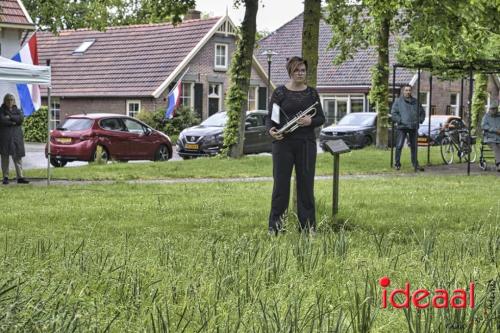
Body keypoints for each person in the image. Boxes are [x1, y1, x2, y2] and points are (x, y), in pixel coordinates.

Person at [266, 56, 325, 235]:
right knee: (280, 186)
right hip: (283, 144)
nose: (300, 73)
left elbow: (322, 118)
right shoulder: (279, 93)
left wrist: (310, 120)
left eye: (303, 70)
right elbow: (271, 119)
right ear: (290, 71)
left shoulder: (312, 93)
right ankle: (276, 228)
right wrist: (271, 131)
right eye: (297, 70)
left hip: (306, 144)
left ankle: (307, 228)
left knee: (306, 186)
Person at [391, 84, 426, 171]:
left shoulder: (416, 101)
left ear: (411, 91)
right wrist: (400, 120)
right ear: (403, 91)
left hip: (413, 127)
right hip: (402, 127)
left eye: (409, 90)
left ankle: (415, 164)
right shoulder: (398, 101)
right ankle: (397, 164)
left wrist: (419, 120)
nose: (408, 92)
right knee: (399, 146)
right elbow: (393, 113)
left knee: (414, 146)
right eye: (406, 90)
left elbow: (422, 112)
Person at [0, 93, 29, 184]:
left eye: (12, 99)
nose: (10, 101)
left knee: (17, 157)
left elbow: (20, 119)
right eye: (8, 99)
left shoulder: (18, 110)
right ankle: (5, 177)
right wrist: (13, 122)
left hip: (16, 137)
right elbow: (2, 120)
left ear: (14, 100)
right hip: (5, 137)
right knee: (5, 157)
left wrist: (10, 117)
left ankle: (20, 177)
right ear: (5, 100)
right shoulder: (1, 110)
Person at [481, 100, 500, 172]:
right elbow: (483, 126)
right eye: (491, 109)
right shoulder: (486, 117)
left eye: (495, 109)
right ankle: (499, 164)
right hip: (490, 138)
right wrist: (495, 130)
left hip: (499, 138)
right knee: (496, 148)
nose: (492, 111)